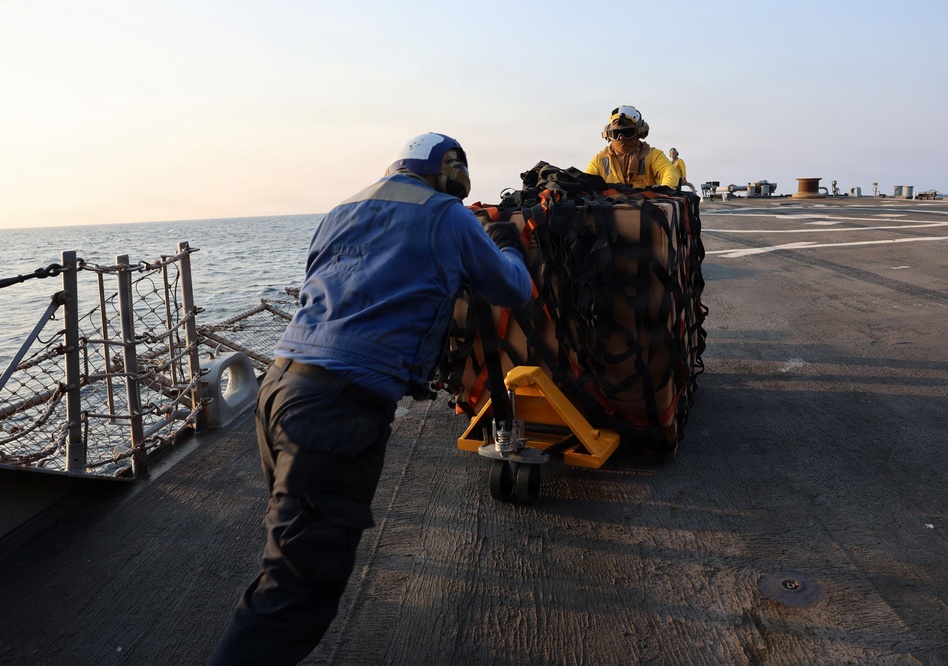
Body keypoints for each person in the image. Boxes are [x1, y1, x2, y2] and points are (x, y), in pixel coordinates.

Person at [208, 132, 532, 665]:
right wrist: (508, 245)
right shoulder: (447, 215)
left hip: (280, 388)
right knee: (294, 594)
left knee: (288, 561)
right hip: (337, 415)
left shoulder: (341, 210)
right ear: (450, 174)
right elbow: (512, 289)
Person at [584, 105, 680, 189]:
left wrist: (665, 189)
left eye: (627, 132)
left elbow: (670, 172)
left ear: (639, 133)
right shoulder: (599, 160)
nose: (621, 137)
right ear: (608, 135)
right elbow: (585, 182)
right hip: (611, 204)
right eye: (616, 133)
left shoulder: (653, 155)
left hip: (647, 203)